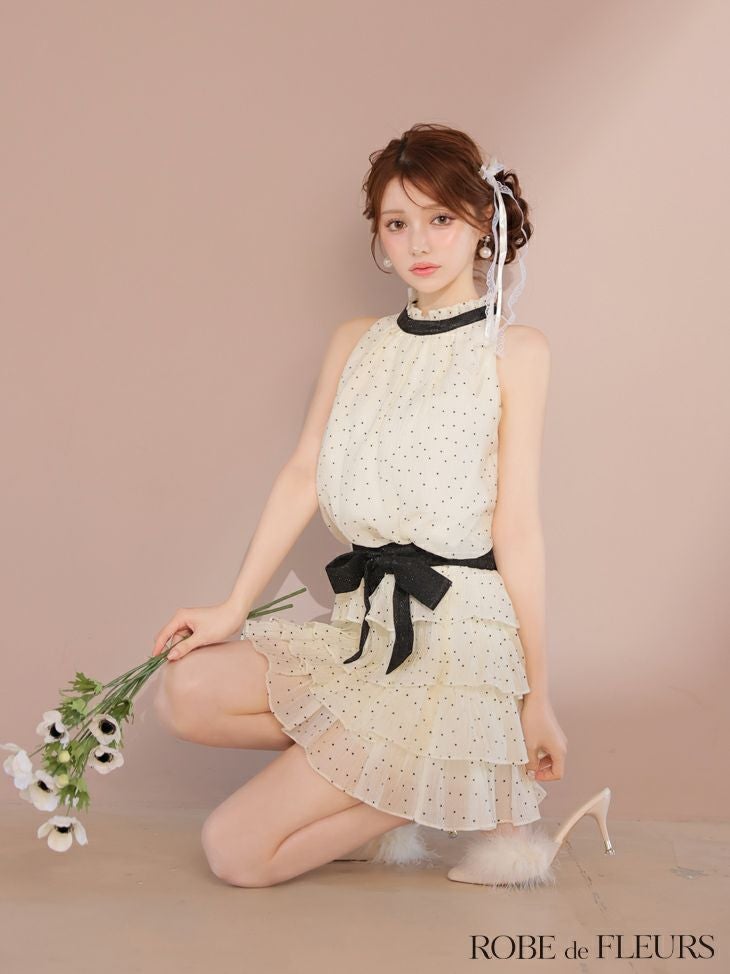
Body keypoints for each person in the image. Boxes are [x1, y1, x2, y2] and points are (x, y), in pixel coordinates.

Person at [150, 123, 583, 890]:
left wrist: (536, 695)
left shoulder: (515, 352)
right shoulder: (357, 340)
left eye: (440, 218)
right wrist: (232, 606)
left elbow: (517, 527)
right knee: (184, 694)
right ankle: (431, 768)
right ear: (378, 237)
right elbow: (302, 474)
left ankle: (454, 765)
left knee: (235, 851)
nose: (420, 242)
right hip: (366, 626)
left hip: (454, 637)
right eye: (397, 222)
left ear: (483, 221)